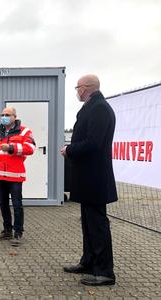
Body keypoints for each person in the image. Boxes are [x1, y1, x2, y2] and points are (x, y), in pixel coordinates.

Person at [61, 74, 118, 286]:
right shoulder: (92, 107)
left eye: (77, 87)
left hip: (95, 178)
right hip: (88, 178)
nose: (76, 91)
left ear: (85, 88)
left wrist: (69, 149)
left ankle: (105, 272)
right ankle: (89, 261)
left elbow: (94, 143)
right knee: (88, 223)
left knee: (98, 225)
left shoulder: (100, 108)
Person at [0, 107, 35, 246]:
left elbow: (30, 148)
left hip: (15, 175)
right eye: (2, 115)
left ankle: (18, 233)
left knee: (17, 205)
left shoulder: (24, 131)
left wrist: (12, 148)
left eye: (7, 115)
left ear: (14, 116)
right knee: (3, 204)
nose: (4, 117)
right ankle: (7, 230)